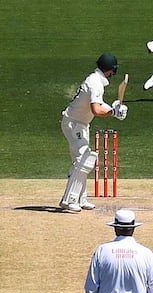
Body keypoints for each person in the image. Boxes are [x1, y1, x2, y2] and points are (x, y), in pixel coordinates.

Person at [59, 53, 129, 213]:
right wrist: (113, 113)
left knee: (80, 161)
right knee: (84, 160)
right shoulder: (95, 83)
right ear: (111, 70)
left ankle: (81, 199)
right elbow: (96, 110)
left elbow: (99, 103)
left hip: (80, 124)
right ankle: (68, 200)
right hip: (73, 124)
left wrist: (114, 109)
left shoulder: (95, 80)